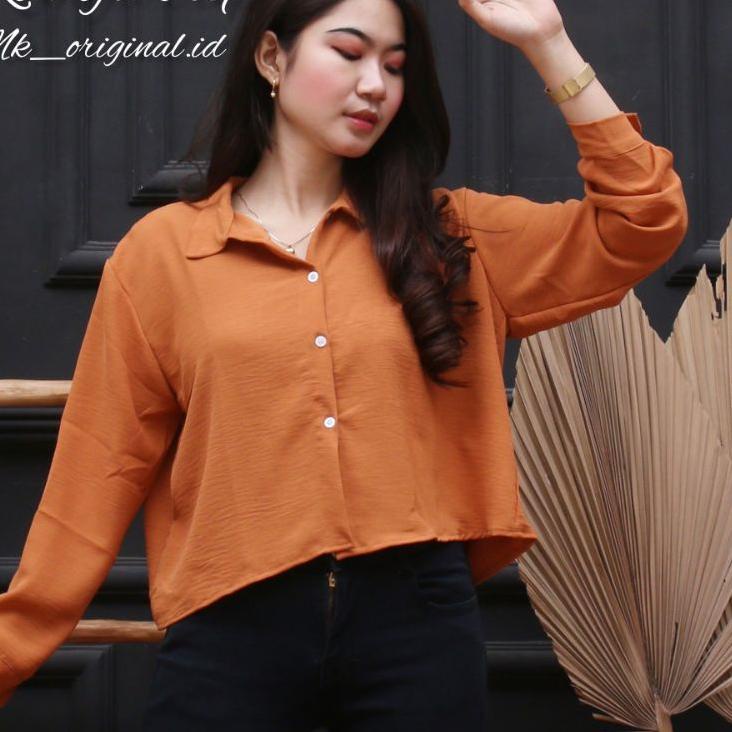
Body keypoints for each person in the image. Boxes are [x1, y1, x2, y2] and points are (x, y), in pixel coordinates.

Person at [0, 0, 687, 728]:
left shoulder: (454, 236)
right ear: (272, 58)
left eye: (395, 66)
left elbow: (642, 221)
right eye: (350, 53)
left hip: (417, 627)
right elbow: (96, 471)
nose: (375, 86)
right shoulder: (162, 256)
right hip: (230, 627)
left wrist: (549, 44)